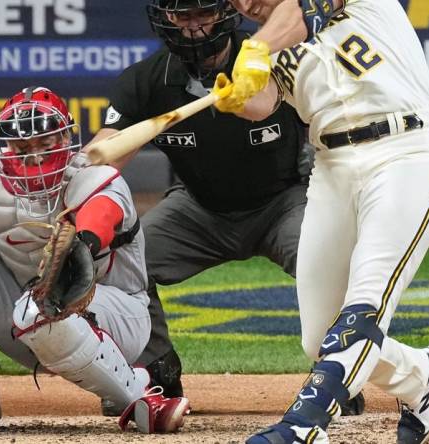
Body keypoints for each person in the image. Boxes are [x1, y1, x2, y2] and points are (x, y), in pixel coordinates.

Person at [88, 0, 364, 417]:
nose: (195, 28)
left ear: (223, 14)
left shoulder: (268, 56)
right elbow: (103, 157)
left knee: (325, 256)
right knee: (119, 260)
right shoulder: (146, 80)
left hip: (283, 202)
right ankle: (156, 370)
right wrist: (73, 176)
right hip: (197, 210)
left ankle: (338, 372)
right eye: (183, 17)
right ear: (165, 20)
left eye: (204, 15)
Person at [213, 0, 429, 442]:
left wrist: (256, 49)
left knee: (364, 305)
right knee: (318, 337)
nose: (245, 3)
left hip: (407, 149)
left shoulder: (275, 32)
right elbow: (263, 104)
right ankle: (419, 374)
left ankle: (304, 426)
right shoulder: (259, 44)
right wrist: (237, 95)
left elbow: (296, 15)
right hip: (332, 169)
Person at [0, 86, 190, 434]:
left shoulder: (95, 178)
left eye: (45, 144)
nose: (34, 156)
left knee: (38, 306)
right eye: (23, 147)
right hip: (26, 320)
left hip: (119, 318)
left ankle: (140, 397)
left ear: (66, 138)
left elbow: (101, 215)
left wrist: (81, 244)